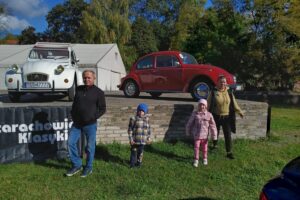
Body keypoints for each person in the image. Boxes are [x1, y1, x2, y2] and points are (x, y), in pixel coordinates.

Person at [66, 70, 106, 177]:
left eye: (89, 78)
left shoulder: (99, 92)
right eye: (85, 78)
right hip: (77, 124)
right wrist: (73, 115)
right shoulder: (78, 89)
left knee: (89, 147)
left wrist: (92, 117)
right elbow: (75, 105)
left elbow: (103, 109)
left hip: (90, 125)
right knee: (70, 143)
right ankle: (77, 165)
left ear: (94, 78)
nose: (86, 79)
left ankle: (88, 168)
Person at [207, 75, 244, 159]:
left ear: (226, 83)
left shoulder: (229, 92)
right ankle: (214, 145)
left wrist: (239, 112)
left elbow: (234, 103)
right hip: (215, 116)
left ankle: (229, 152)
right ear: (217, 82)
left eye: (224, 81)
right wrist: (204, 113)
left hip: (226, 117)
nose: (223, 83)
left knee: (228, 135)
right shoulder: (213, 92)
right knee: (215, 132)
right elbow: (208, 103)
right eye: (221, 81)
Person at [186, 99, 217, 167]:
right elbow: (189, 123)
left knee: (205, 148)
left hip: (205, 136)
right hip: (197, 135)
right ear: (198, 105)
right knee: (196, 147)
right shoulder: (195, 114)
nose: (202, 106)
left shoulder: (209, 115)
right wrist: (188, 131)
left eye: (203, 105)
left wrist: (214, 135)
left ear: (206, 106)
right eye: (200, 105)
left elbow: (213, 126)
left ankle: (205, 158)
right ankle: (196, 159)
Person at [128, 103, 151, 168]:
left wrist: (148, 138)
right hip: (134, 141)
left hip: (142, 141)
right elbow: (130, 130)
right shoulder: (133, 119)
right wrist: (131, 139)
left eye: (143, 111)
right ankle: (132, 165)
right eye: (140, 110)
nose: (141, 112)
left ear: (145, 112)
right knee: (133, 153)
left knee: (140, 153)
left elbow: (148, 129)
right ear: (137, 111)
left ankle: (139, 163)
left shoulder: (147, 119)